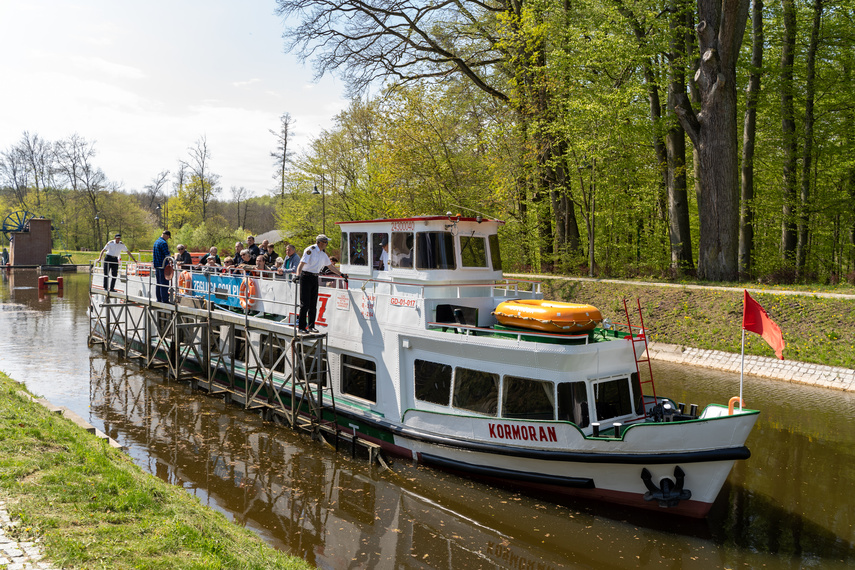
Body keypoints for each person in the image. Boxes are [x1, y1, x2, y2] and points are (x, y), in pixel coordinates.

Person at [295, 234, 346, 333]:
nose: (327, 244)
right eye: (326, 242)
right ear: (321, 242)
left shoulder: (323, 254)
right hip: (306, 277)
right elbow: (301, 264)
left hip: (315, 277)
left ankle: (311, 326)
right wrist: (297, 275)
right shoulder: (310, 250)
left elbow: (330, 267)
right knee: (304, 304)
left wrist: (341, 274)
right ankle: (301, 327)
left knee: (313, 304)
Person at [152, 230, 171, 303]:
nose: (168, 239)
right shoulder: (163, 243)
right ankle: (165, 300)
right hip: (163, 266)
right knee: (164, 283)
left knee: (158, 283)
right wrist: (171, 259)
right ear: (167, 235)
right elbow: (166, 254)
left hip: (157, 265)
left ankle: (159, 299)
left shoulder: (156, 242)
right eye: (168, 237)